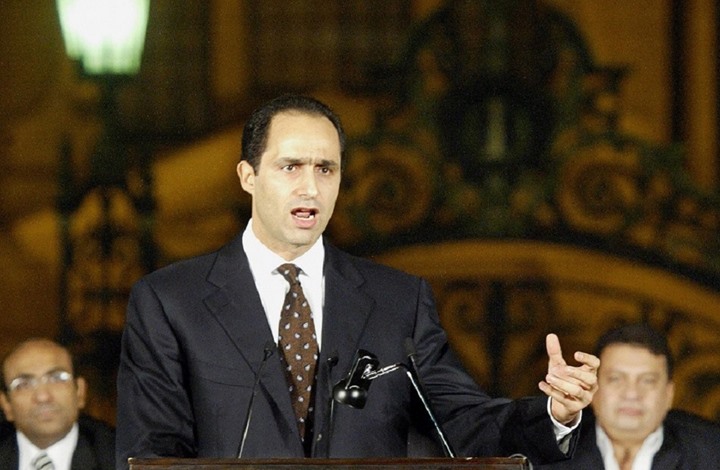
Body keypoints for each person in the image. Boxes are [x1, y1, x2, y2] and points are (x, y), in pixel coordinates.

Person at [115, 94, 599, 468]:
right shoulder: (170, 302)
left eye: (325, 169)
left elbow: (461, 420)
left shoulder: (398, 301)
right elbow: (152, 453)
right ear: (248, 176)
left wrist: (554, 414)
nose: (310, 187)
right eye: (290, 167)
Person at [540, 323, 720, 469]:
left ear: (669, 394)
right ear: (592, 389)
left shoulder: (713, 453)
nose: (632, 394)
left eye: (647, 381)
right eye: (616, 379)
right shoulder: (549, 451)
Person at [0, 338, 115, 470]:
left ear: (79, 391)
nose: (43, 397)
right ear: (6, 404)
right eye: (24, 385)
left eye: (57, 378)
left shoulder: (120, 457)